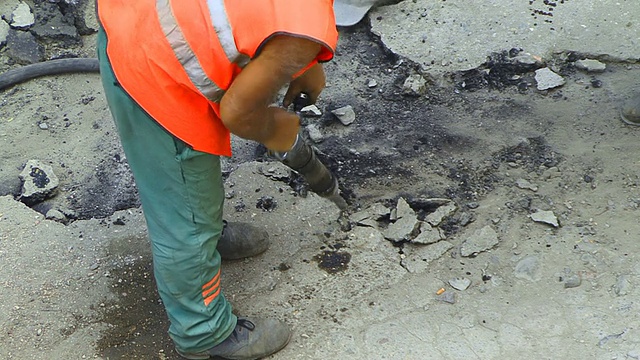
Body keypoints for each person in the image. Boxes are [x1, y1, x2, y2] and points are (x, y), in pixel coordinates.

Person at [95, 1, 338, 359]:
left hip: (132, 22)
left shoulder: (302, 20)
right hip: (154, 77)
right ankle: (204, 332)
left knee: (193, 196)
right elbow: (238, 113)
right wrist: (276, 129)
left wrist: (304, 58)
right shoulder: (304, 23)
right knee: (185, 216)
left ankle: (204, 236)